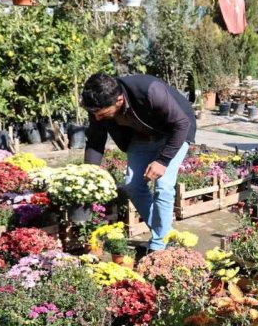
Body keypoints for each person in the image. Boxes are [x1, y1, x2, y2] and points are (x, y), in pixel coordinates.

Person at [81, 72, 196, 252]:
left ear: (119, 100)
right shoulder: (98, 107)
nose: (97, 118)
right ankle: (165, 234)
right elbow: (95, 140)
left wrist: (163, 161)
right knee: (133, 186)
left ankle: (159, 248)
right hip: (141, 136)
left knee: (164, 185)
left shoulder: (149, 90)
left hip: (174, 131)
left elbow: (181, 124)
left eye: (101, 113)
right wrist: (89, 175)